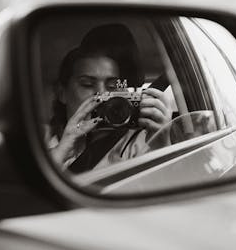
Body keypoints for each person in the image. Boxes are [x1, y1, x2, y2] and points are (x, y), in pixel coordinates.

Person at [47, 24, 173, 173]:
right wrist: (61, 151)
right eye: (87, 84)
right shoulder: (39, 139)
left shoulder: (138, 141)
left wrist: (161, 143)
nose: (101, 94)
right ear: (62, 93)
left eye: (112, 86)